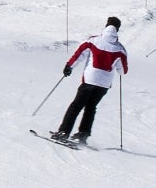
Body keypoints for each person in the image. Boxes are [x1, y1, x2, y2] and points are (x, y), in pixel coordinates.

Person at [52, 16, 128, 144]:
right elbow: (123, 71)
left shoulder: (93, 41)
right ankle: (83, 134)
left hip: (90, 79)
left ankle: (64, 132)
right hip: (104, 84)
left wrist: (69, 66)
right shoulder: (120, 49)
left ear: (106, 26)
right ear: (118, 29)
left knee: (76, 106)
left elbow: (79, 54)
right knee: (91, 107)